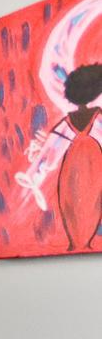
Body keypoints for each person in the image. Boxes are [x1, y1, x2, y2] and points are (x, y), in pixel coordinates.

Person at [53, 63, 102, 252]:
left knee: (71, 203)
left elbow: (54, 146)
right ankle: (84, 243)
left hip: (71, 168)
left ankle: (76, 243)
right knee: (92, 203)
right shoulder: (98, 117)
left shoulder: (68, 120)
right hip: (94, 168)